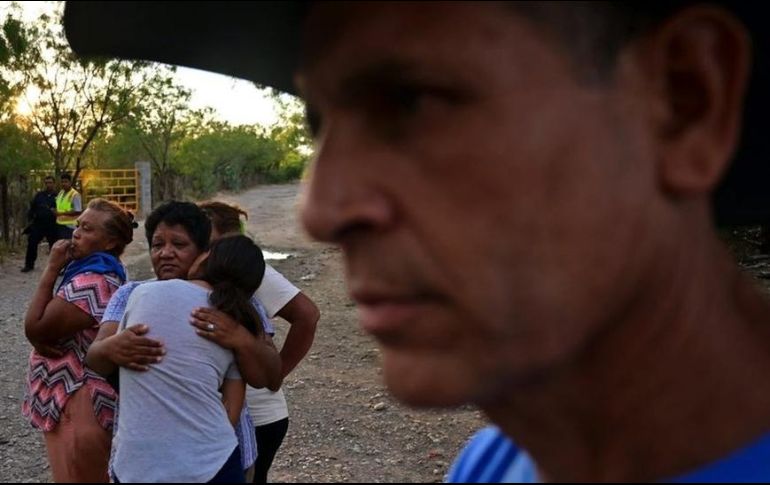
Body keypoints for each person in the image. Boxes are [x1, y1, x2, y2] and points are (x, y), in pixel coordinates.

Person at [63, 2, 770, 482]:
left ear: (684, 102)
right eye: (322, 123)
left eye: (415, 102)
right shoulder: (499, 460)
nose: (323, 207)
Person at [85, 200, 282, 479]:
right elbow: (93, 359)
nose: (166, 253)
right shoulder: (132, 294)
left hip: (220, 455)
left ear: (205, 253)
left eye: (179, 244)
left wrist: (241, 339)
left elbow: (272, 377)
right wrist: (111, 348)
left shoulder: (236, 304)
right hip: (148, 460)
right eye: (157, 245)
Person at [197, 200, 320, 483]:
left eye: (207, 238)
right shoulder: (207, 271)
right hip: (222, 416)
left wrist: (277, 372)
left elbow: (307, 315)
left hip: (258, 418)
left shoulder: (242, 269)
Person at [22, 198, 135, 482]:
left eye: (87, 229)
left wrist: (51, 268)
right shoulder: (94, 271)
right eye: (77, 226)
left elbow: (36, 328)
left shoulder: (94, 282)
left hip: (79, 400)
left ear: (109, 242)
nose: (76, 233)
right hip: (75, 399)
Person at [21, 175, 58, 273]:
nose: (48, 184)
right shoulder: (39, 195)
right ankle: (29, 265)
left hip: (52, 225)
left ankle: (55, 267)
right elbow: (32, 208)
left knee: (54, 246)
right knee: (32, 243)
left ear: (54, 183)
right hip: (38, 224)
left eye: (50, 182)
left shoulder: (58, 196)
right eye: (46, 183)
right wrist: (30, 219)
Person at [55, 172, 82, 240]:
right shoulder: (61, 192)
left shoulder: (75, 194)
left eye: (66, 182)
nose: (63, 184)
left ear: (70, 182)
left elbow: (78, 211)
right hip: (59, 224)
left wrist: (61, 213)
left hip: (70, 226)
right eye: (62, 182)